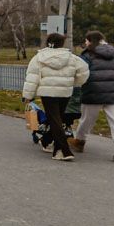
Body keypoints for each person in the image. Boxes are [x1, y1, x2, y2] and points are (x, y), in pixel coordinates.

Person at [22, 32, 90, 161]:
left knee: (54, 120)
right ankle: (48, 141)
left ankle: (63, 150)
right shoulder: (71, 58)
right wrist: (74, 82)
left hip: (47, 93)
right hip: (65, 92)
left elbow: (32, 78)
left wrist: (28, 95)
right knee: (59, 118)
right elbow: (84, 72)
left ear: (48, 42)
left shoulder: (39, 57)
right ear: (62, 43)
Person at [71, 30, 114, 164]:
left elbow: (82, 71)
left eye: (86, 40)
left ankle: (79, 141)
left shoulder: (88, 54)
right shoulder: (112, 54)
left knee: (87, 119)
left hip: (93, 90)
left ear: (91, 40)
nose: (85, 43)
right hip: (113, 91)